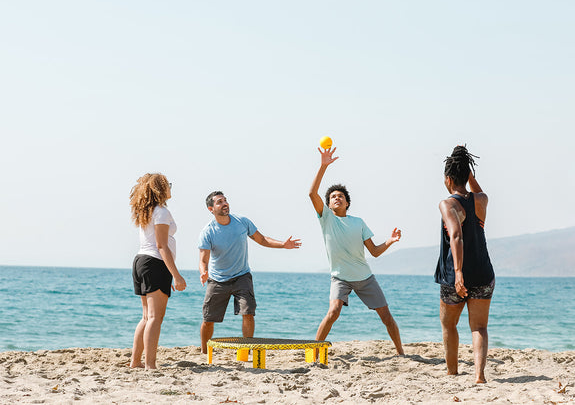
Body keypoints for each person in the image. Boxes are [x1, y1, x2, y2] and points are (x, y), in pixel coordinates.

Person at [309, 146, 404, 355]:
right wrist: (323, 166)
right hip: (340, 278)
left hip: (364, 277)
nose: (337, 198)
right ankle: (315, 353)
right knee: (333, 312)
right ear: (327, 204)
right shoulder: (326, 218)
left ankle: (401, 352)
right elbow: (311, 193)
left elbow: (375, 251)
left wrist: (390, 241)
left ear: (347, 202)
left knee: (386, 316)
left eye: (341, 196)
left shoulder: (358, 222)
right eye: (333, 196)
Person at [198, 191, 301, 353]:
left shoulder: (242, 222)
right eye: (219, 202)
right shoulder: (208, 231)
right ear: (211, 209)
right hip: (218, 279)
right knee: (208, 320)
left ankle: (245, 350)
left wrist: (283, 244)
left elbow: (262, 239)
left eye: (225, 200)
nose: (225, 203)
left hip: (241, 276)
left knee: (248, 313)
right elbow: (203, 259)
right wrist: (203, 272)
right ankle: (204, 352)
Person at [434, 145, 495, 383]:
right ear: (467, 176)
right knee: (479, 327)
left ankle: (452, 372)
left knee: (449, 324)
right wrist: (470, 175)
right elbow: (479, 192)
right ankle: (479, 375)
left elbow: (456, 235)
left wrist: (458, 273)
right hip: (483, 271)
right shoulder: (481, 200)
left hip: (453, 276)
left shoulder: (447, 204)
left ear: (448, 179)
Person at [129, 173, 187, 369]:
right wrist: (176, 275)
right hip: (154, 262)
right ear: (160, 189)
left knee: (146, 316)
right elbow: (161, 245)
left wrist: (168, 273)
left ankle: (136, 362)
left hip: (142, 262)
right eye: (168, 185)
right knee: (155, 317)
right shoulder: (161, 212)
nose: (171, 187)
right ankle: (150, 365)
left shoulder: (147, 211)